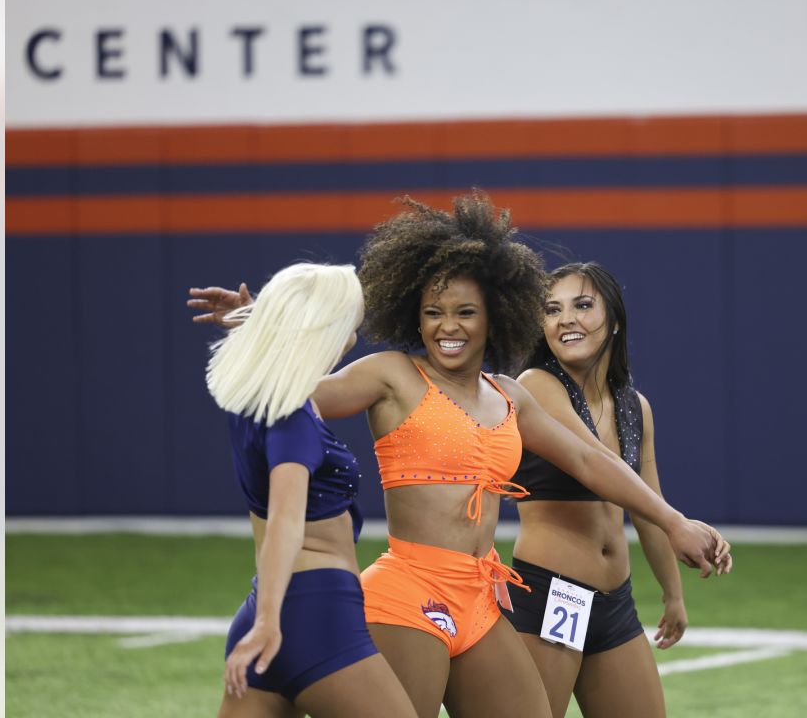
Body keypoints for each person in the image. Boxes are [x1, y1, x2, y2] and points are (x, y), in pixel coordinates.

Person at [189, 191, 731, 718]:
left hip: (483, 598)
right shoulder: (391, 375)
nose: (448, 327)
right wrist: (263, 328)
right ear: (414, 316)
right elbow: (290, 394)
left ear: (495, 315)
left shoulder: (509, 394)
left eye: (465, 312)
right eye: (433, 312)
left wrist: (673, 520)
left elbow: (592, 463)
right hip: (407, 595)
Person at [505, 262, 731, 717]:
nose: (565, 318)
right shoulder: (535, 386)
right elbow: (594, 465)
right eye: (552, 310)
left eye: (583, 305)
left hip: (615, 604)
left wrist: (673, 594)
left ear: (614, 321)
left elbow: (648, 505)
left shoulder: (634, 405)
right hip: (553, 594)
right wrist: (679, 523)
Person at [204, 263, 417, 718]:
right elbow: (285, 520)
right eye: (349, 328)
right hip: (313, 615)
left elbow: (273, 347)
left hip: (271, 608)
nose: (350, 341)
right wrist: (268, 622)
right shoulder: (292, 412)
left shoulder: (253, 393)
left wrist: (252, 319)